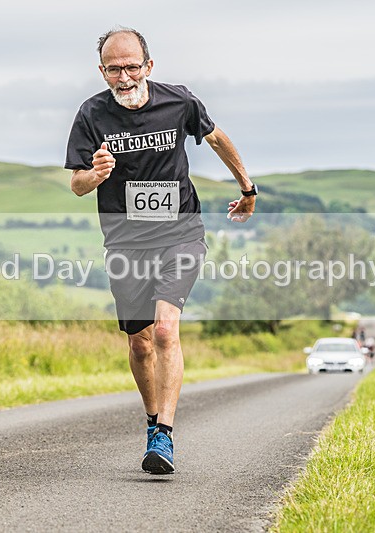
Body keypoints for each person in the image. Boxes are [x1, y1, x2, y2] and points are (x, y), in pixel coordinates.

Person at [65, 26, 256, 474]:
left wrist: (247, 188)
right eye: (114, 69)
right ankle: (153, 420)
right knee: (140, 342)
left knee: (166, 329)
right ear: (102, 71)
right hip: (126, 244)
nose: (124, 77)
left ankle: (164, 435)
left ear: (148, 66)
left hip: (180, 234)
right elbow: (76, 184)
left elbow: (216, 138)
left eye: (132, 67)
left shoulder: (179, 102)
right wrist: (95, 174)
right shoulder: (91, 114)